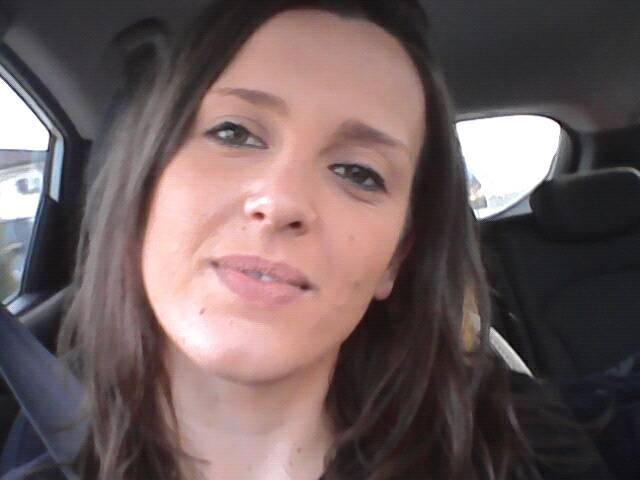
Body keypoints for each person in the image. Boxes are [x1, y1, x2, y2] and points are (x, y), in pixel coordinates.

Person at [0, 0, 613, 479]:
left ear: (395, 260)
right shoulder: (45, 442)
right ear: (144, 186)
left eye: (358, 172)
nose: (280, 200)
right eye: (234, 133)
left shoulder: (518, 448)